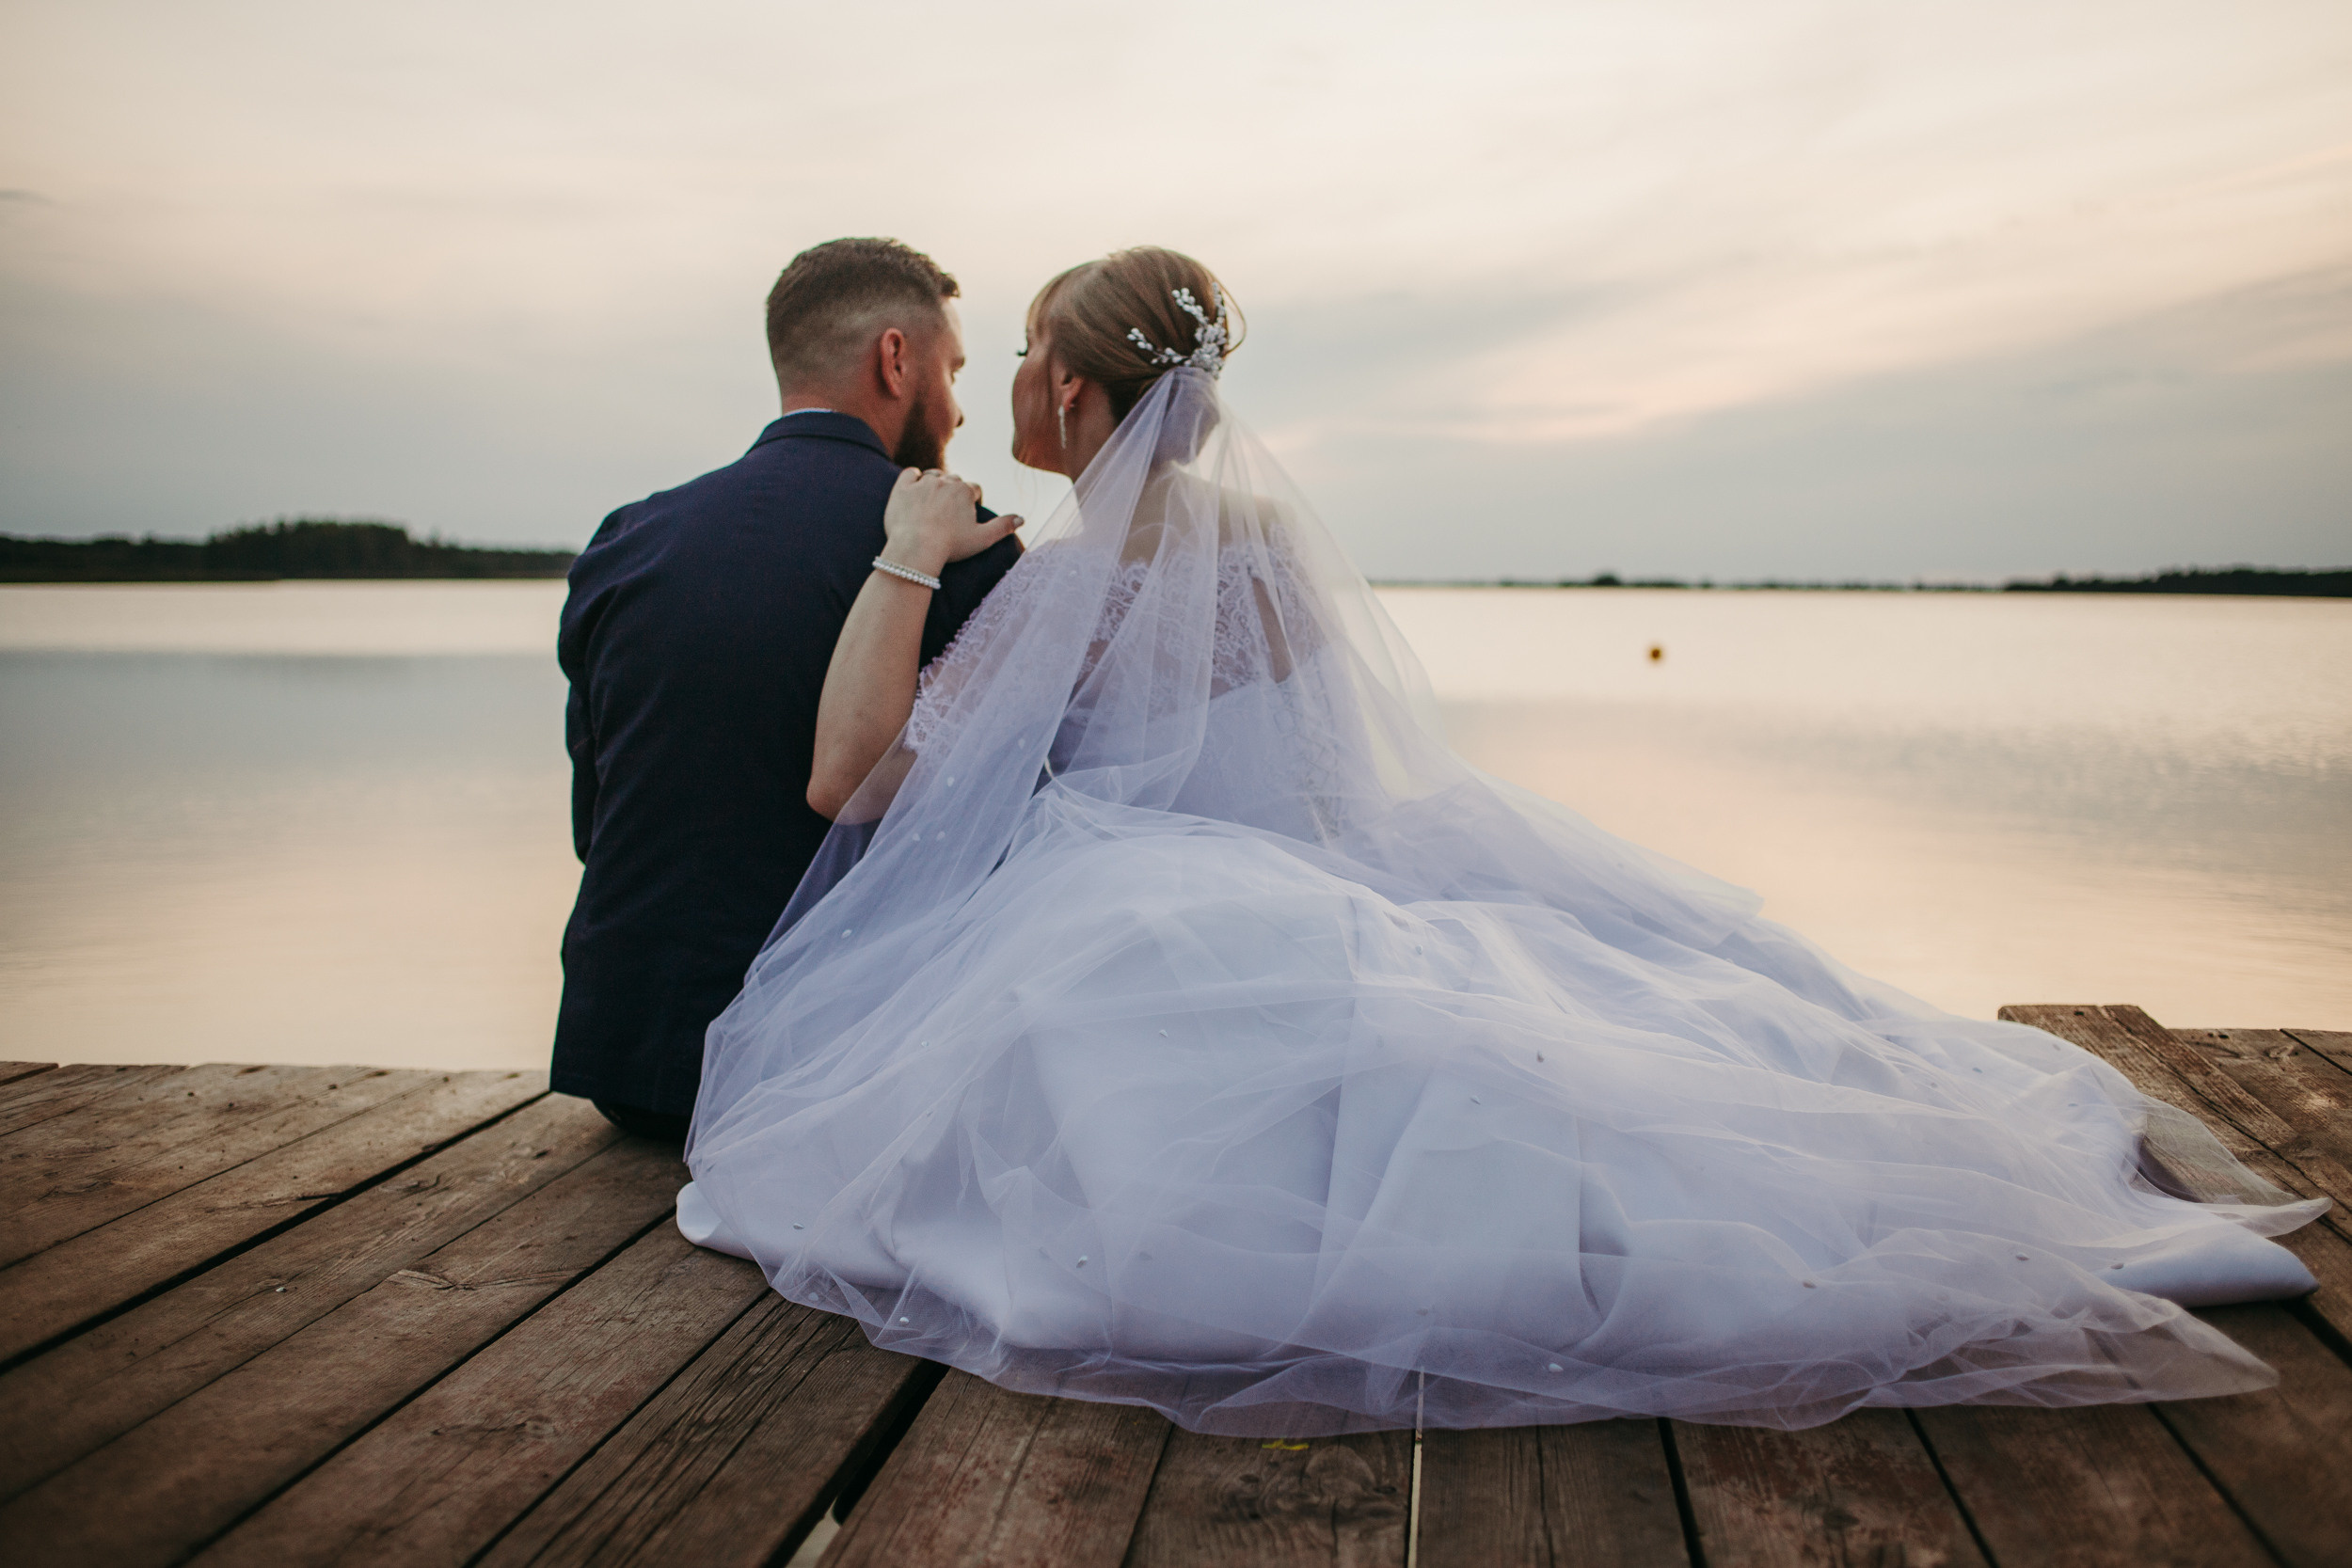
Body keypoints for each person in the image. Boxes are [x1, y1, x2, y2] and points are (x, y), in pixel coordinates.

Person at [677, 246, 2324, 1434]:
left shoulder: (1071, 580)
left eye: (1028, 351)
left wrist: (909, 554)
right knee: (1587, 1046)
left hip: (1154, 897)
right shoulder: (1261, 540)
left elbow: (862, 782)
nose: (1001, 385)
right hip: (1322, 871)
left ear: (1071, 386)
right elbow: (1312, 767)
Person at [554, 238, 1022, 1139]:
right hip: (828, 1079)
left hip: (628, 1064)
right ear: (895, 358)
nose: (959, 409)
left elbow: (594, 824)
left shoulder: (627, 538)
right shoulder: (963, 546)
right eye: (954, 371)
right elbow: (987, 840)